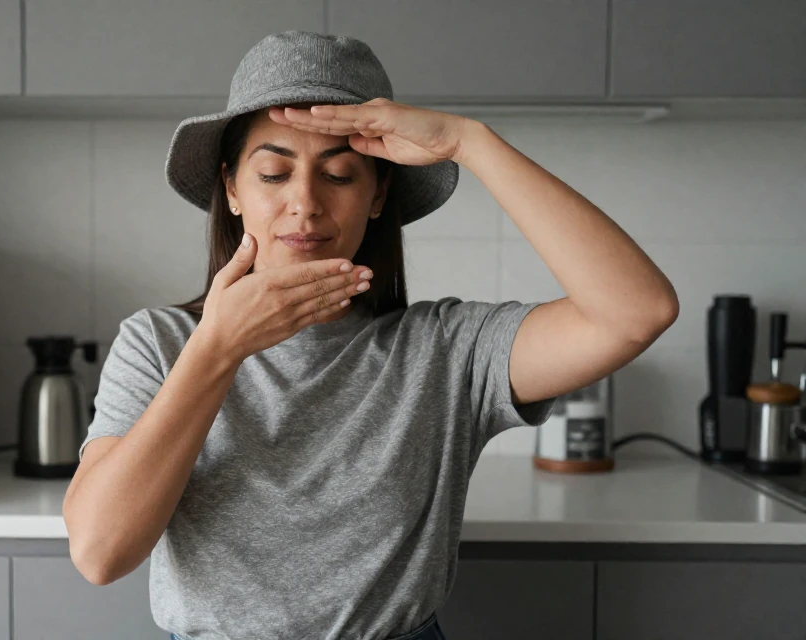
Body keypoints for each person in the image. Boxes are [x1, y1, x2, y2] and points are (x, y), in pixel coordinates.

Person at [62, 31, 678, 640]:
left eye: (340, 176)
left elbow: (636, 311)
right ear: (232, 190)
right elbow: (100, 553)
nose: (304, 203)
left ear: (379, 193)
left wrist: (471, 142)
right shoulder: (158, 343)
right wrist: (217, 349)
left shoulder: (446, 351)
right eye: (274, 173)